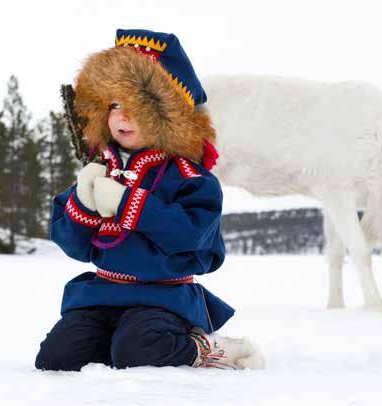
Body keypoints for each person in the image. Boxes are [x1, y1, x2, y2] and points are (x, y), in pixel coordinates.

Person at [35, 29, 265, 371]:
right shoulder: (100, 169)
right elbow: (74, 245)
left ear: (168, 117)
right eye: (114, 105)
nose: (122, 116)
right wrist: (82, 201)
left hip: (164, 299)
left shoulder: (192, 178)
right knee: (57, 357)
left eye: (137, 107)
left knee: (138, 351)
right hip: (102, 293)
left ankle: (203, 347)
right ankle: (121, 341)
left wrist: (129, 203)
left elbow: (191, 236)